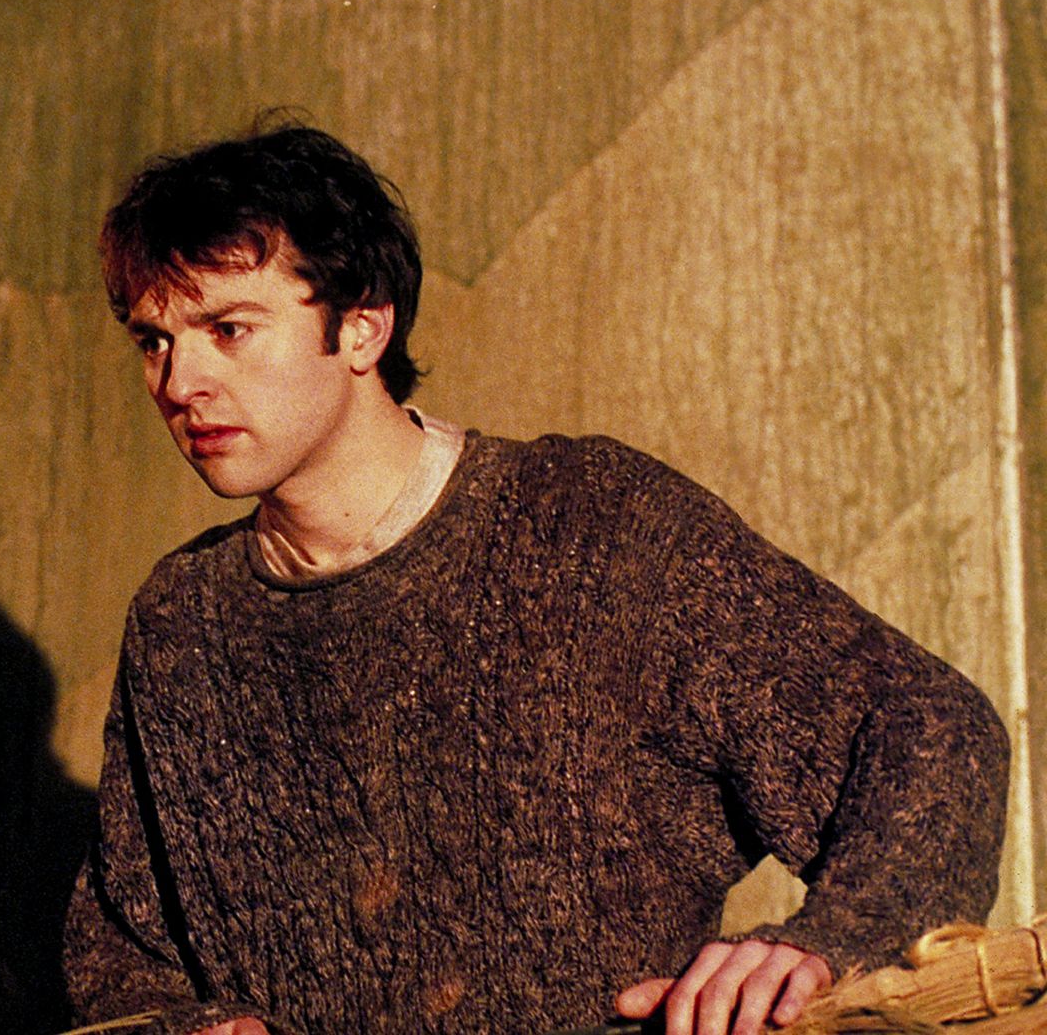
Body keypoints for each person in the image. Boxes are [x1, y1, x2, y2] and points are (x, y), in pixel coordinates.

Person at [61, 122, 1010, 1035]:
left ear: (361, 328)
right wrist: (180, 1025)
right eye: (154, 342)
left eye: (228, 329)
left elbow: (928, 729)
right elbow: (121, 936)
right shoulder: (182, 618)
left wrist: (824, 943)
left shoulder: (595, 529)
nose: (179, 384)